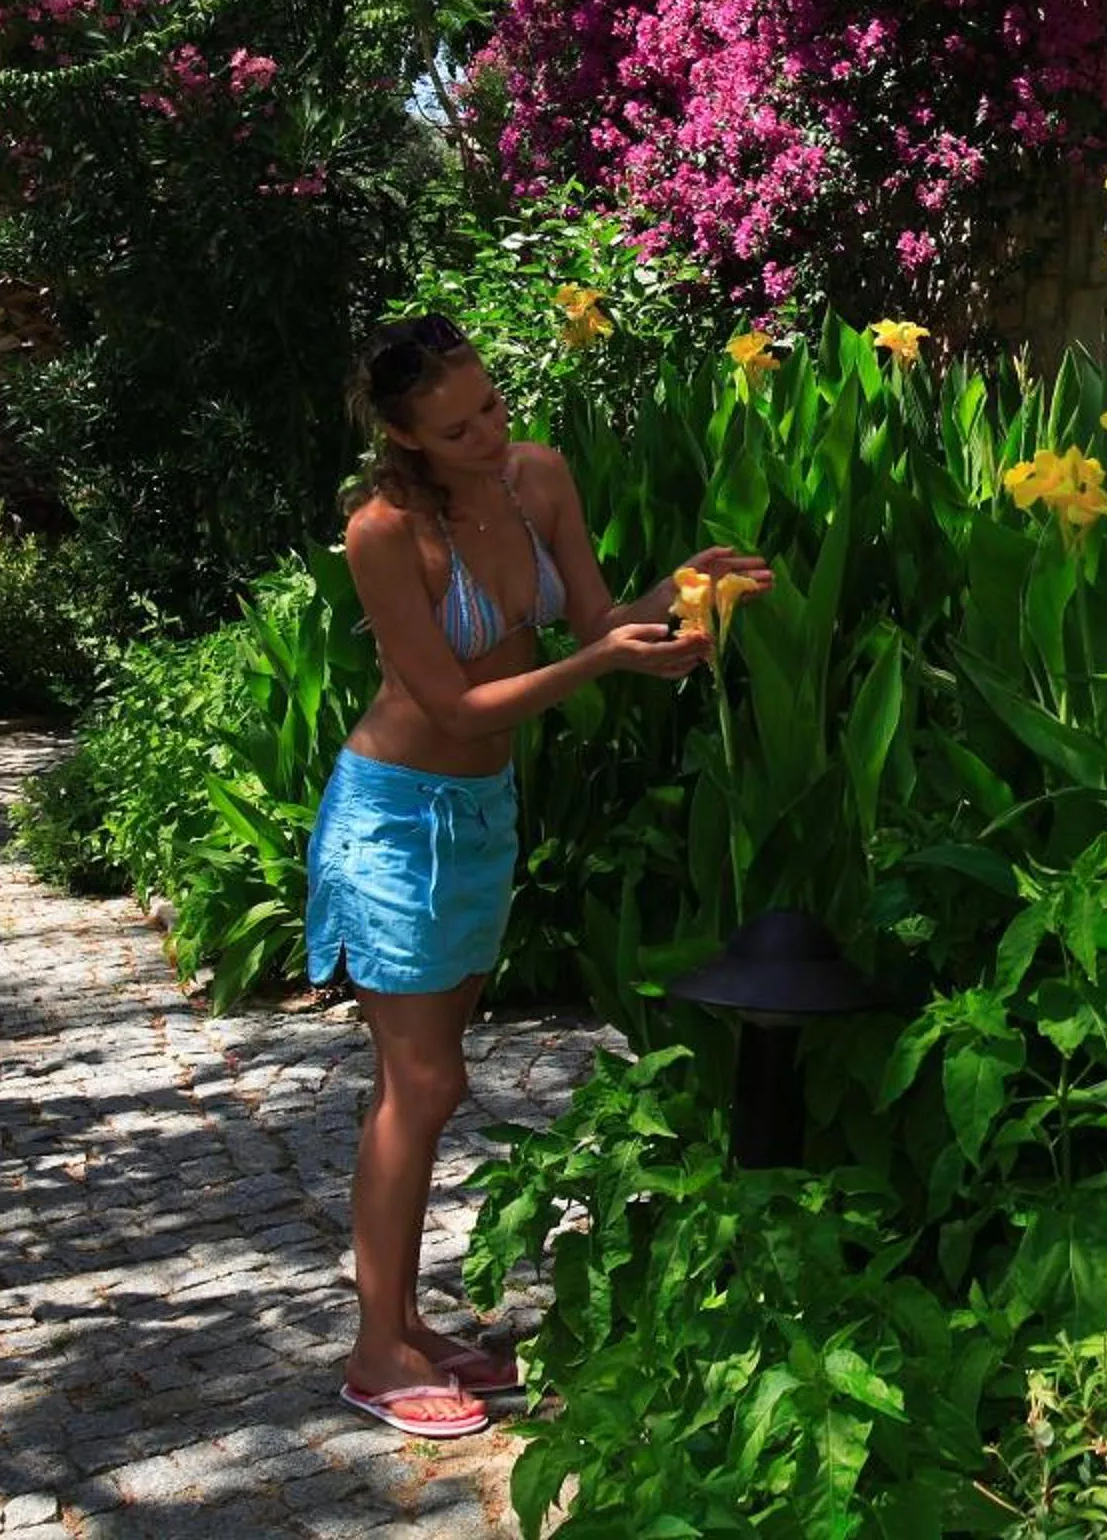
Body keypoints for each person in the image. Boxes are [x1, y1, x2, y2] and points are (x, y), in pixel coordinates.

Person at [315, 312, 767, 1437]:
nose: (485, 433)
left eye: (491, 407)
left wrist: (678, 596)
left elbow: (600, 617)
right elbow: (455, 703)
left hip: (481, 812)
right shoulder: (384, 531)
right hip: (393, 817)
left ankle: (405, 1323)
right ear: (406, 436)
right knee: (422, 1083)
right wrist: (601, 660)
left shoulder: (538, 480)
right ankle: (376, 1348)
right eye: (455, 427)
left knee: (422, 1079)